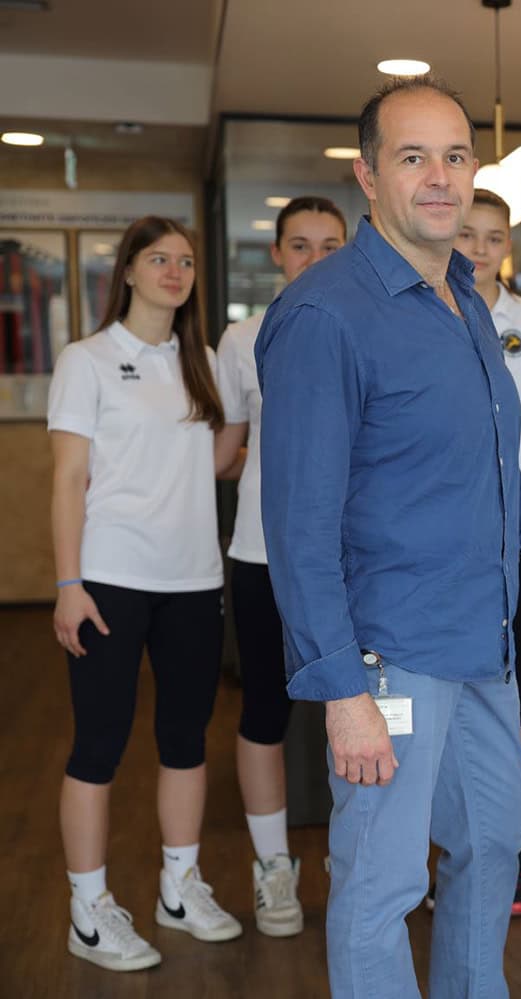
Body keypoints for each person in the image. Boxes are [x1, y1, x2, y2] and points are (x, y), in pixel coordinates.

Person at [254, 76, 521, 999]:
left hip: (482, 644)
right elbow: (298, 526)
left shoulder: (463, 297)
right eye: (413, 156)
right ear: (367, 175)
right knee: (382, 881)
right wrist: (342, 692)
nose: (440, 177)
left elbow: (478, 474)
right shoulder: (325, 314)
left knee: (494, 840)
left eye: (456, 156)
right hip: (389, 658)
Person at [49, 215, 242, 972]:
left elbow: (214, 459)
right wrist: (68, 585)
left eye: (185, 261)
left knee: (186, 741)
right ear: (127, 270)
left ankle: (179, 889)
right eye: (158, 258)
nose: (174, 271)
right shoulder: (88, 359)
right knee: (99, 744)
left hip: (193, 579)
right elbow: (69, 478)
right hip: (109, 579)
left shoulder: (200, 361)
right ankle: (88, 910)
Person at [217, 195, 347, 938]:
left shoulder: (367, 327)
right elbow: (226, 448)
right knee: (265, 712)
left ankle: (355, 859)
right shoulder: (242, 339)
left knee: (357, 712)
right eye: (300, 245)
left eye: (330, 245)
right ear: (276, 254)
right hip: (263, 555)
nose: (315, 259)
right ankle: (273, 868)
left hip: (351, 560)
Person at [453, 187, 521, 917]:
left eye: (494, 237)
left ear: (509, 247)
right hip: (456, 538)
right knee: (459, 693)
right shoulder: (429, 309)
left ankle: (513, 848)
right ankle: (458, 846)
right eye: (469, 234)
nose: (480, 249)